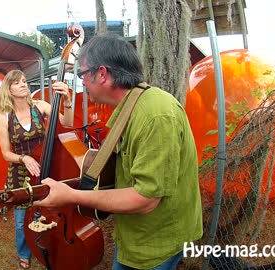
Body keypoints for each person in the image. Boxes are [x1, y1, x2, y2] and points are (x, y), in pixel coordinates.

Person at [34, 33, 203, 269]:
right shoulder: (130, 107)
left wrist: (71, 196)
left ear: (102, 73)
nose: (81, 81)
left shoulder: (155, 115)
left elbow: (145, 199)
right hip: (133, 237)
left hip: (154, 246)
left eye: (82, 74)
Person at [0, 69, 74, 269]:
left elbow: (68, 122)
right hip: (20, 174)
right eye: (17, 82)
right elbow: (5, 153)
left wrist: (67, 100)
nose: (23, 84)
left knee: (48, 213)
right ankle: (24, 252)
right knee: (22, 221)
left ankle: (49, 244)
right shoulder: (4, 117)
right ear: (9, 89)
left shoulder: (41, 106)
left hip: (45, 167)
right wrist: (24, 158)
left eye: (24, 81)